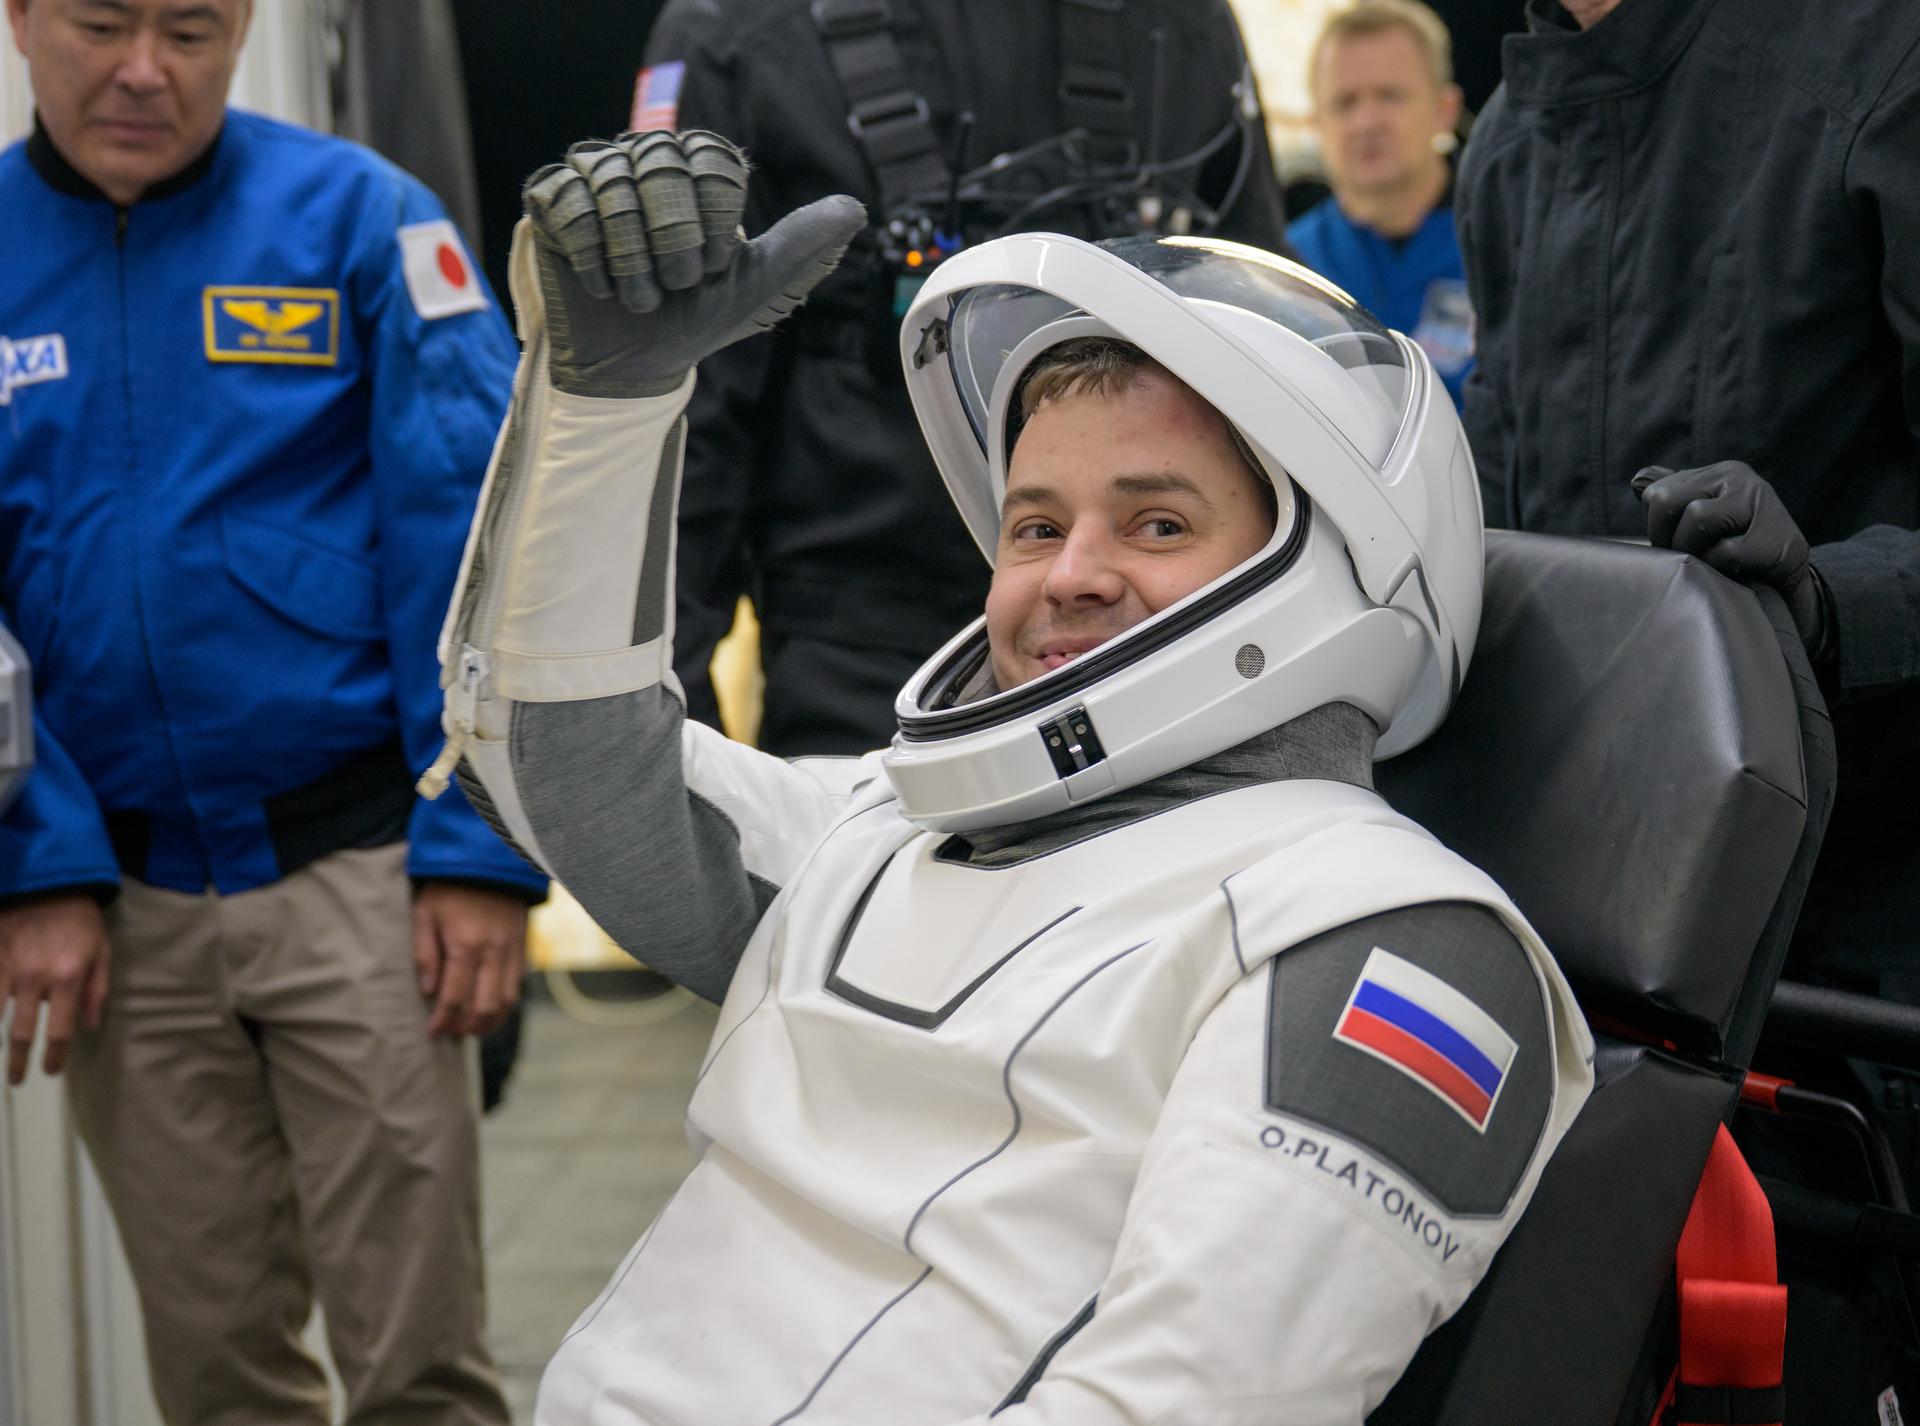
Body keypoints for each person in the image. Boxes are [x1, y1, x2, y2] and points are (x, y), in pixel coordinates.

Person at [430, 130, 1592, 1423]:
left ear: (1345, 566)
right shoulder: (891, 824)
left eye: (1157, 522)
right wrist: (602, 402)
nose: (1067, 571)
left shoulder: (1393, 944)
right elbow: (554, 755)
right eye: (1034, 523)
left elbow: (1186, 1404)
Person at [0, 2, 544, 1422]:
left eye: (190, 29)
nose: (143, 69)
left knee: (419, 1365)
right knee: (217, 1369)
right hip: (118, 898)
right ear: (18, 18)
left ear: (240, 27)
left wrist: (481, 853)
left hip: (359, 873)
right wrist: (34, 859)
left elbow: (486, 556)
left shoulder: (362, 223)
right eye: (103, 23)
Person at [1455, 0, 1920, 1412]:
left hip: (1860, 1001)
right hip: (1587, 994)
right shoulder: (1505, 135)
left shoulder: (1881, 57)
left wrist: (1831, 600)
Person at [639, 0, 1293, 756]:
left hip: (1150, 652)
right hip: (885, 680)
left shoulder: (1183, 25)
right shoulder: (736, 33)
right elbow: (689, 424)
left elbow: (1260, 357)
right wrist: (671, 748)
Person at [1288, 0, 1472, 408]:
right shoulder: (1285, 266)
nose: (1366, 122)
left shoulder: (1507, 245)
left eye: (1390, 96)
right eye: (1345, 102)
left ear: (1445, 110)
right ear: (1317, 122)